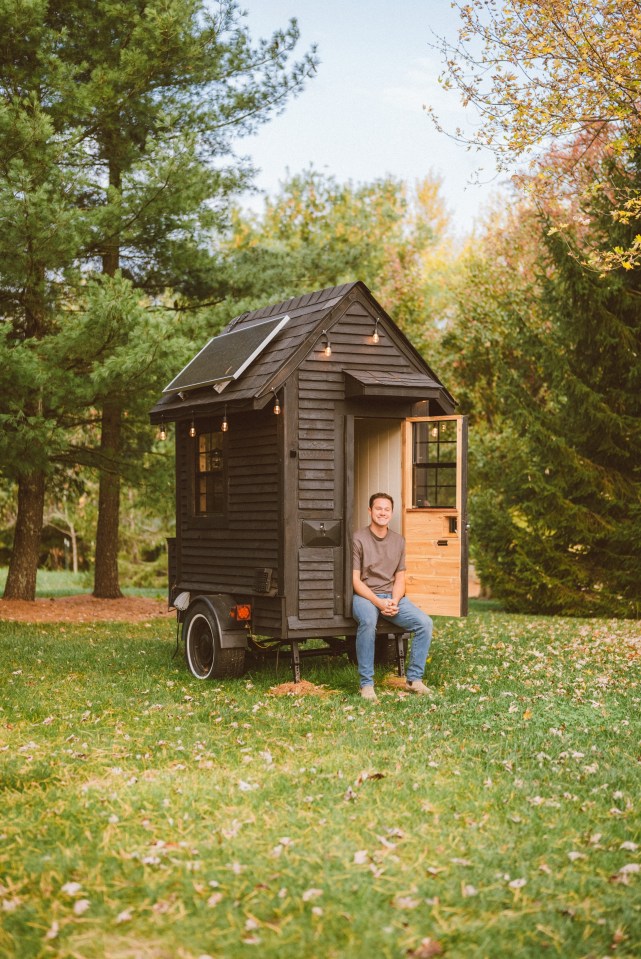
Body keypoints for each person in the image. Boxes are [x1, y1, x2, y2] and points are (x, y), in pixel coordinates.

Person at [352, 492, 433, 701]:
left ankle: (414, 679)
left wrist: (394, 602)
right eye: (378, 508)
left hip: (391, 597)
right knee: (368, 622)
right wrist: (378, 602)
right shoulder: (358, 538)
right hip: (365, 596)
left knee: (425, 623)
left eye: (387, 509)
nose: (382, 513)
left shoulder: (398, 541)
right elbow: (355, 581)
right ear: (370, 511)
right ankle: (366, 684)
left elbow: (400, 578)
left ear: (392, 513)